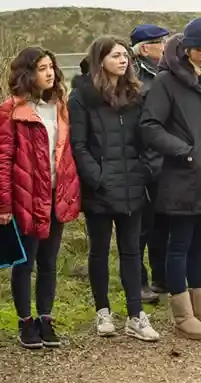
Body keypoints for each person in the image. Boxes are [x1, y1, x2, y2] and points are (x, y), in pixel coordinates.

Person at [140, 17, 201, 341]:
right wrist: (185, 151)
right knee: (178, 247)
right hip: (181, 178)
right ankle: (183, 316)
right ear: (185, 47)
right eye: (199, 50)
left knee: (199, 247)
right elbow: (150, 126)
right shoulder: (166, 82)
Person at [70, 37, 159, 341]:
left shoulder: (136, 94)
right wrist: (98, 179)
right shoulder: (82, 97)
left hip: (133, 184)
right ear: (100, 60)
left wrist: (145, 171)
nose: (124, 60)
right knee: (99, 251)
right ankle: (103, 312)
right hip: (100, 188)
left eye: (125, 55)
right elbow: (78, 145)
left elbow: (146, 139)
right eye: (116, 56)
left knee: (132, 252)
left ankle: (136, 315)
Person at [2, 47, 82, 349]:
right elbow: (4, 159)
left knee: (49, 260)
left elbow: (66, 154)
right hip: (26, 196)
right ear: (27, 74)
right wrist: (4, 204)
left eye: (51, 66)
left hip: (56, 195)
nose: (49, 73)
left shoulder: (60, 106)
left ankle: (45, 318)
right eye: (41, 68)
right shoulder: (11, 110)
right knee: (26, 262)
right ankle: (25, 323)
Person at [129, 23, 169, 303]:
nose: (166, 48)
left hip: (165, 161)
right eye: (161, 43)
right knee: (140, 227)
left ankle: (161, 276)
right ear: (145, 48)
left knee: (162, 223)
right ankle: (138, 282)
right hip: (142, 162)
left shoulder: (165, 74)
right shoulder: (133, 79)